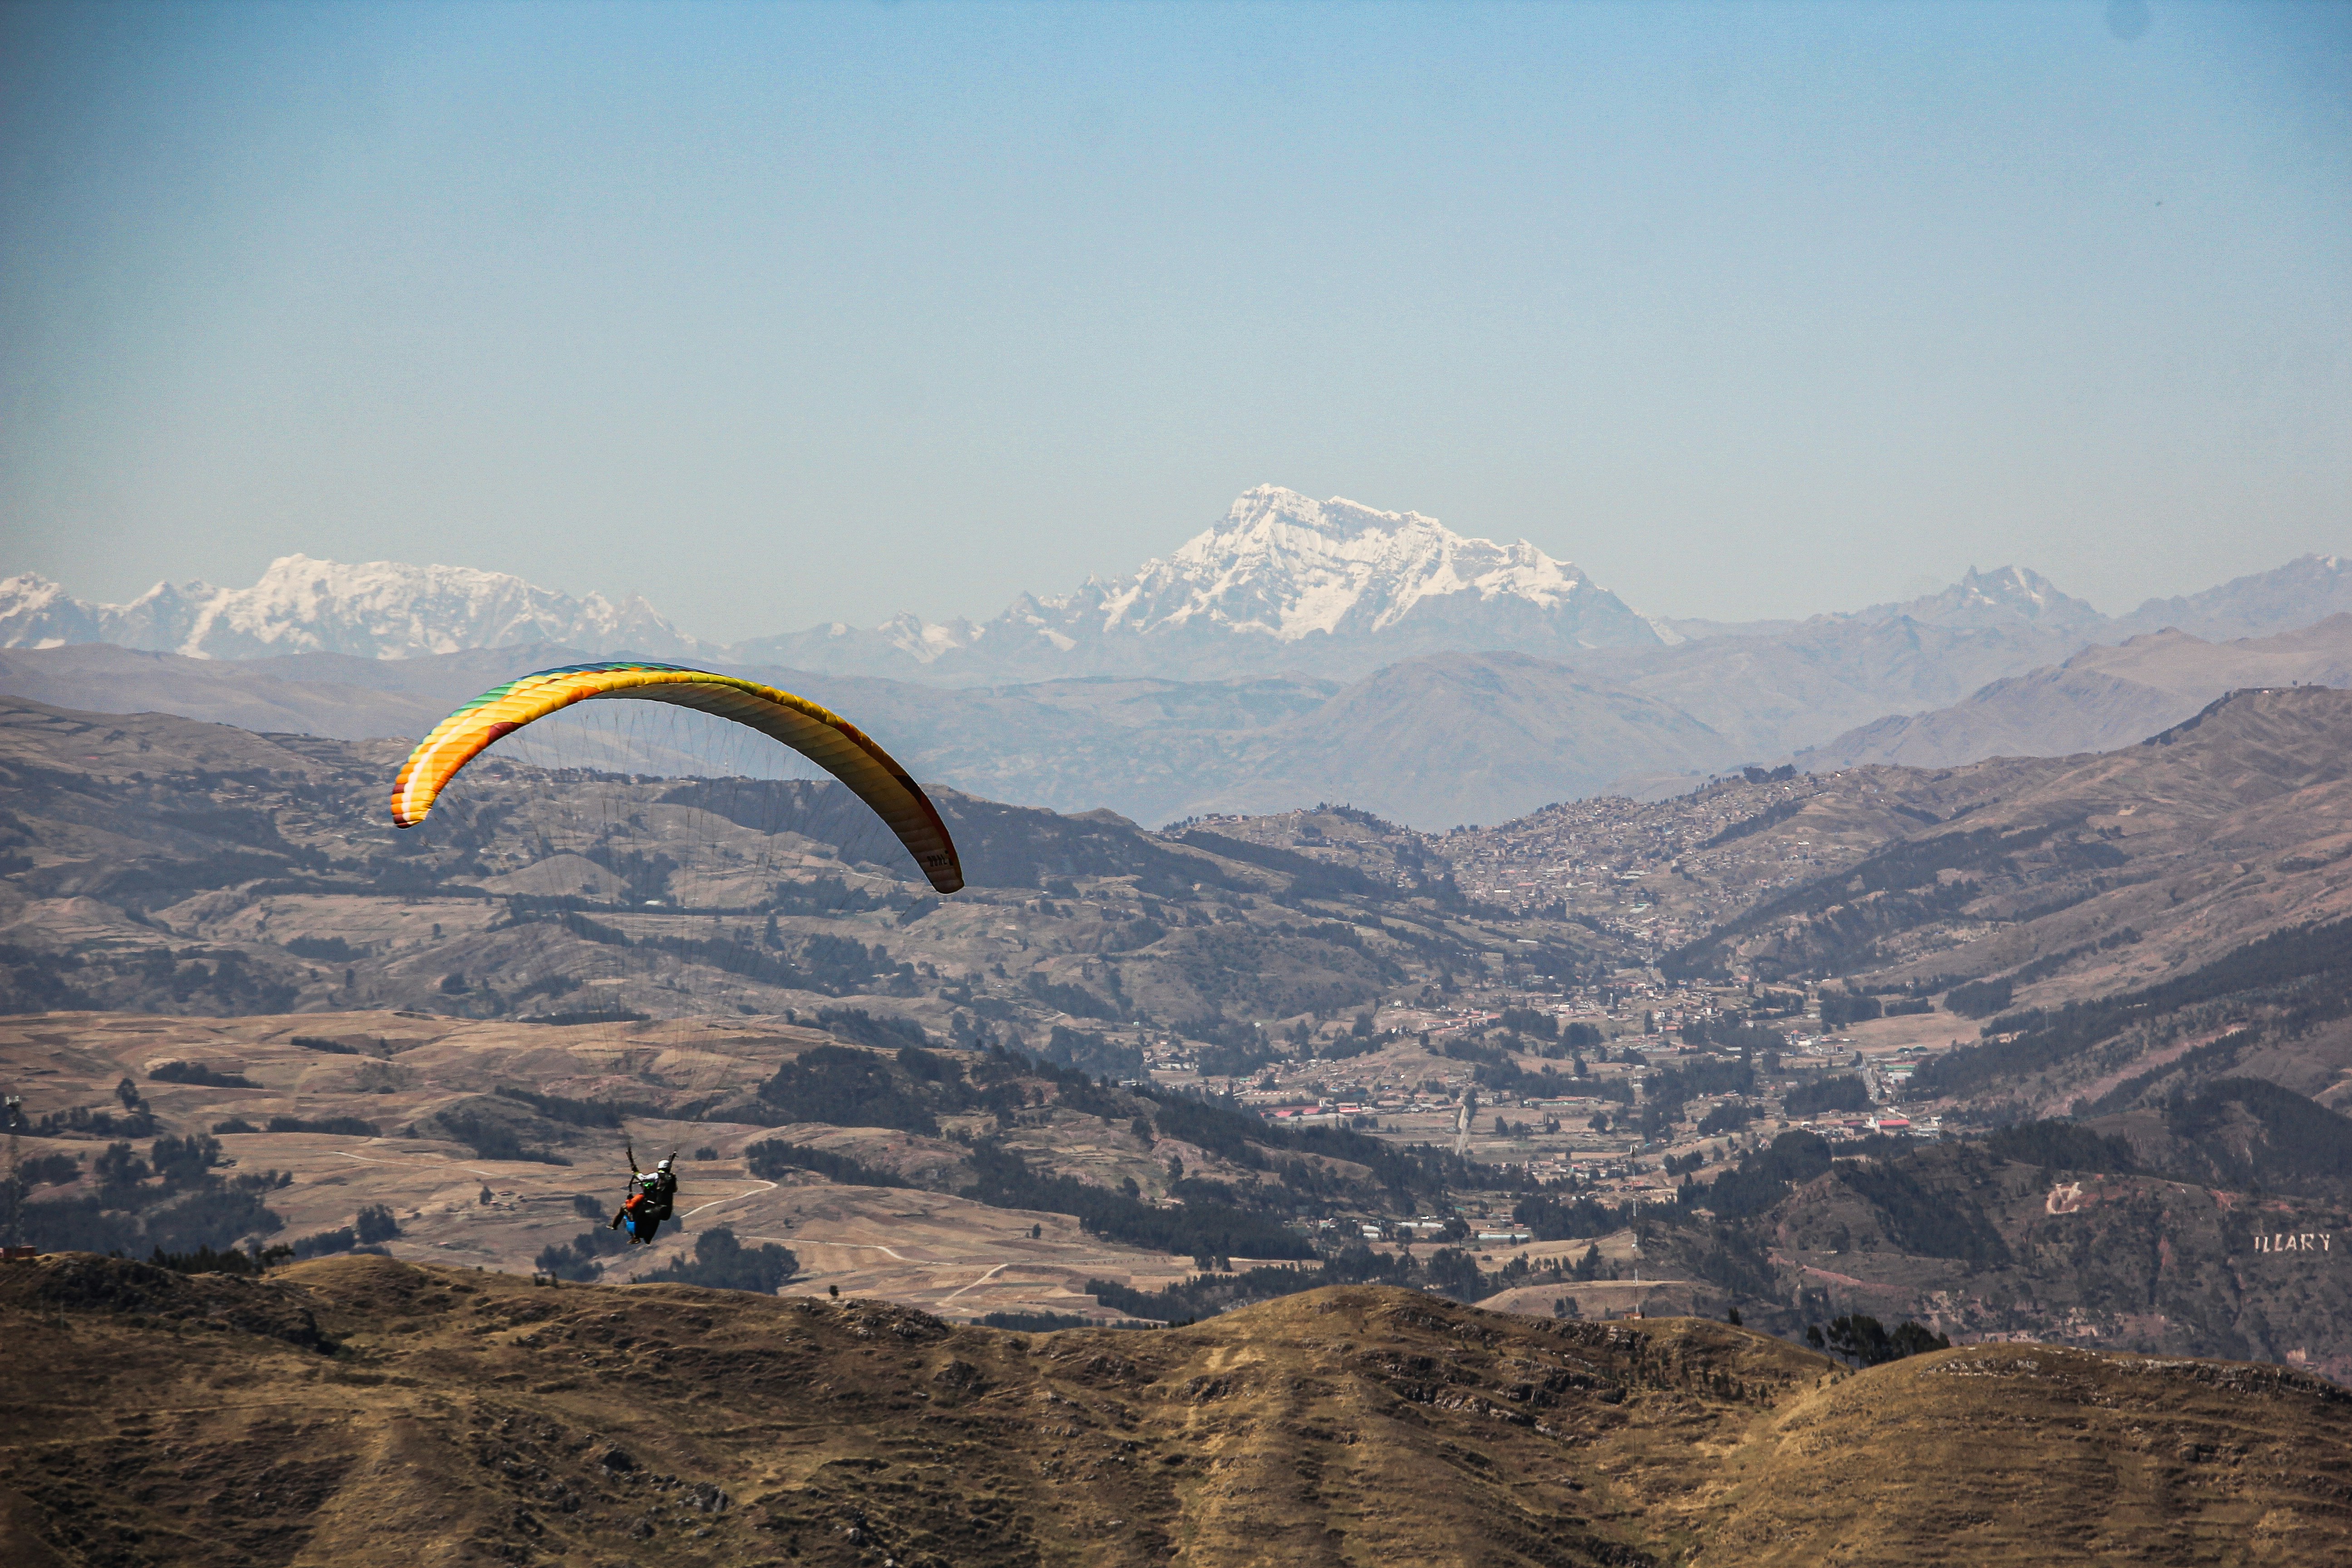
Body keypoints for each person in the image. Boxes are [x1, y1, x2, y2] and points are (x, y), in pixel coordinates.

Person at [609, 1142, 679, 1245]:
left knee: (639, 1216)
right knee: (654, 1220)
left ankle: (636, 1237)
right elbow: (675, 1190)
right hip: (665, 1209)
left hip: (651, 1204)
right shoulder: (671, 1178)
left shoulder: (656, 1176)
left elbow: (642, 1178)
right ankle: (648, 1238)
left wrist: (635, 1171)